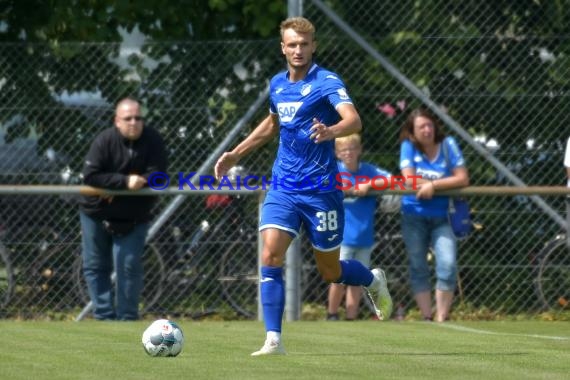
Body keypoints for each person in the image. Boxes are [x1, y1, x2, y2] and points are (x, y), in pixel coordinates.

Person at [214, 17, 392, 356]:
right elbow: (272, 124)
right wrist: (236, 153)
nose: (298, 50)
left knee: (330, 271)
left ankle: (372, 280)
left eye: (304, 44)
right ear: (283, 47)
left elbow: (354, 119)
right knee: (269, 254)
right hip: (283, 186)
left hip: (321, 191)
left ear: (313, 46)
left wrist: (331, 131)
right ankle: (273, 340)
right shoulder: (278, 84)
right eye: (292, 44)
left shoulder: (326, 81)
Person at [78, 97, 168, 320]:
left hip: (135, 215)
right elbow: (90, 175)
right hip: (97, 212)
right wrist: (122, 183)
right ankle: (104, 316)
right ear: (117, 121)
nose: (134, 122)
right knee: (96, 265)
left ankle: (127, 318)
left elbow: (160, 177)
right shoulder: (104, 141)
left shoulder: (153, 140)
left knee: (128, 265)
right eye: (128, 118)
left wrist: (140, 182)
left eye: (138, 118)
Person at [398, 107, 469, 322]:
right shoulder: (408, 146)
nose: (427, 130)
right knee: (418, 265)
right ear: (412, 132)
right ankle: (427, 316)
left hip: (443, 216)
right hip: (413, 214)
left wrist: (432, 185)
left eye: (430, 125)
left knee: (447, 264)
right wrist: (438, 184)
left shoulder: (448, 145)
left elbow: (463, 178)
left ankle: (441, 317)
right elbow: (409, 179)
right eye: (422, 126)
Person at [327, 133, 393, 321]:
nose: (348, 153)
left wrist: (368, 185)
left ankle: (351, 317)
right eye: (343, 150)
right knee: (338, 277)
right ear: (337, 153)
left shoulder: (368, 171)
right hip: (342, 237)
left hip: (364, 237)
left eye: (352, 148)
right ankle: (332, 314)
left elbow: (390, 179)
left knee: (358, 280)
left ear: (359, 150)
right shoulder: (335, 171)